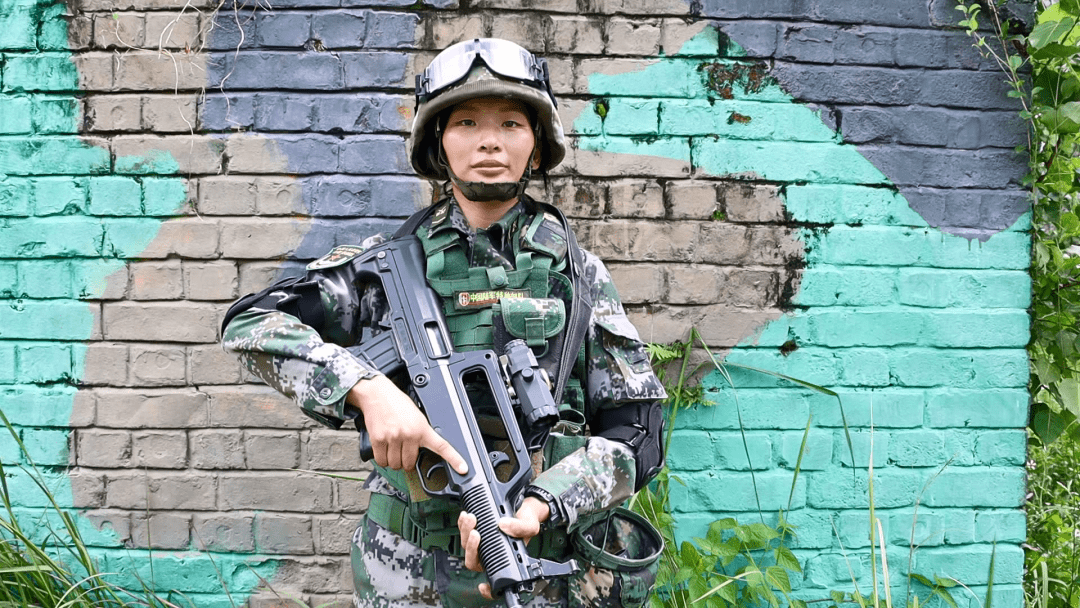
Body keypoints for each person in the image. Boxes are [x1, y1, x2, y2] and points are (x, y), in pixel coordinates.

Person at [221, 38, 666, 608]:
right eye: (466, 122)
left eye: (511, 122)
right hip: (409, 572)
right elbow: (251, 322)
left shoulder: (578, 274)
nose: (489, 140)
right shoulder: (385, 270)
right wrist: (365, 389)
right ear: (438, 142)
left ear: (536, 145)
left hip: (546, 562)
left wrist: (544, 504)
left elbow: (637, 432)